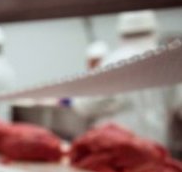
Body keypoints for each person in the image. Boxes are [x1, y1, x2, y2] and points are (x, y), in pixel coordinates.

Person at [75, 10, 180, 146]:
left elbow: (84, 105)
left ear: (120, 31)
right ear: (154, 29)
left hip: (116, 147)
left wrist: (116, 102)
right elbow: (177, 104)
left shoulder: (112, 62)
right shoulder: (167, 62)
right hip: (155, 145)